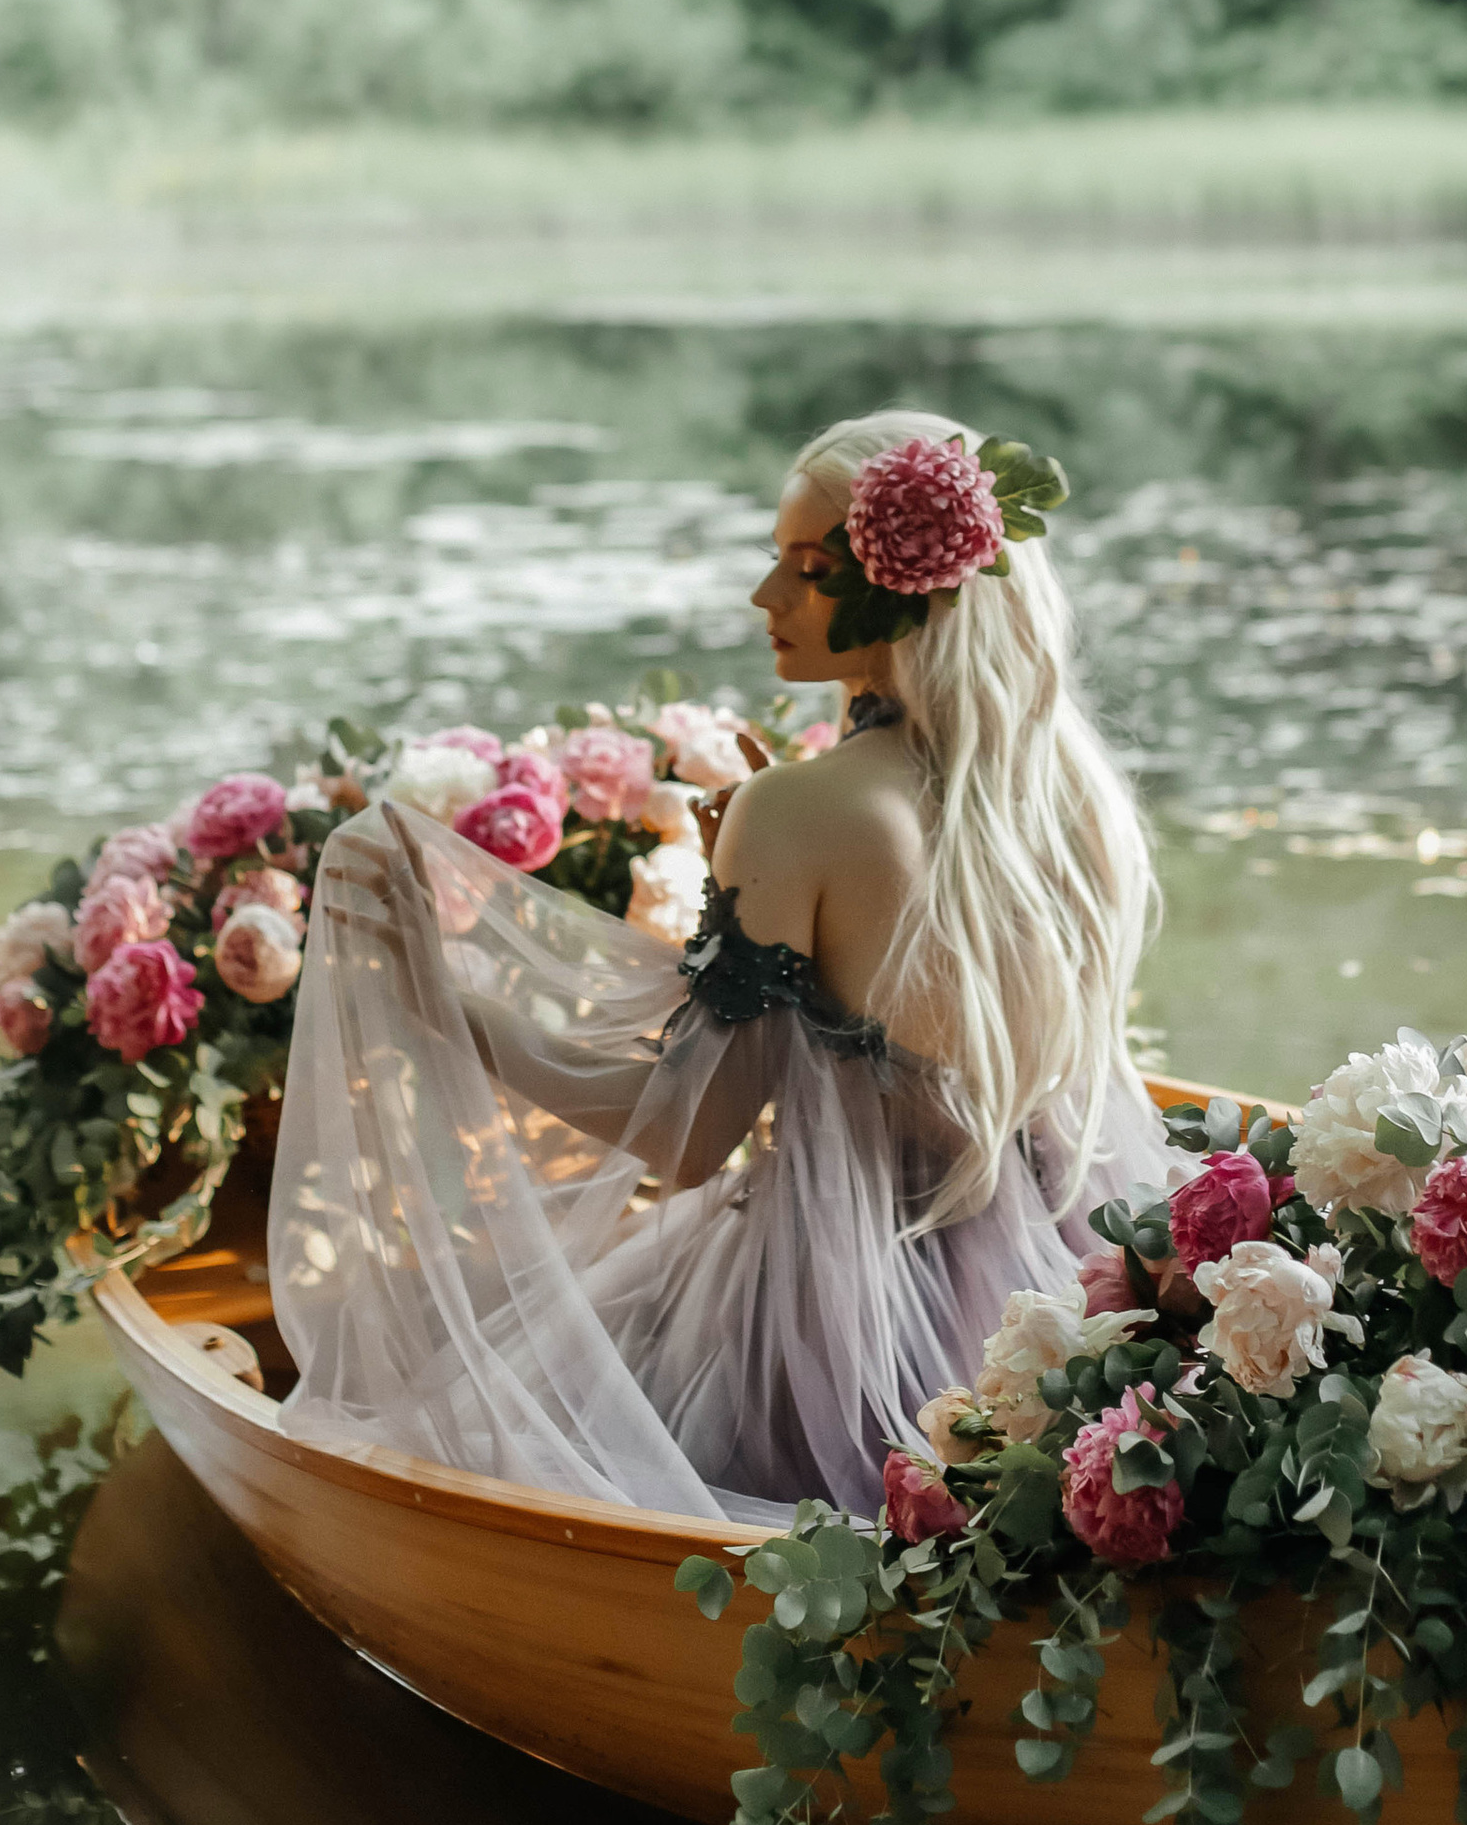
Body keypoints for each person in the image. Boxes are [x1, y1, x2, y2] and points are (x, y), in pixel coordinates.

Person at [268, 408, 1167, 1521]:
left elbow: (684, 1136)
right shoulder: (1068, 795)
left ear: (909, 589)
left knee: (443, 1386)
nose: (764, 600)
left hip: (839, 1331)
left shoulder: (803, 809)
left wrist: (439, 995)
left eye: (803, 568)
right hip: (1045, 1284)